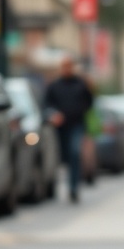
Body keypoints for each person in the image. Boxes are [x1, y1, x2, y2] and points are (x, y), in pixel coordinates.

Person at [45, 55, 93, 203]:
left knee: (74, 153)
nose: (66, 69)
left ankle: (73, 188)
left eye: (69, 66)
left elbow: (89, 102)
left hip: (76, 125)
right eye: (64, 66)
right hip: (60, 128)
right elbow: (47, 105)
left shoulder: (80, 84)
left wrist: (78, 110)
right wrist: (54, 115)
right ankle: (54, 187)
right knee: (61, 157)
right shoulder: (54, 86)